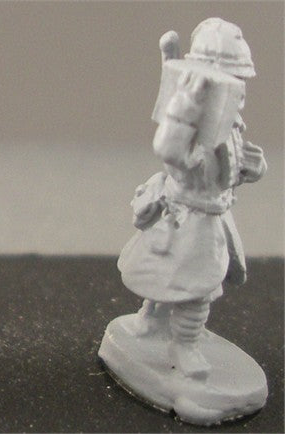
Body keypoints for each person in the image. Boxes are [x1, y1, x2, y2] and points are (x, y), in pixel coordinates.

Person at [118, 18, 267, 380]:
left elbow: (228, 172)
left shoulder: (228, 125)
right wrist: (185, 106)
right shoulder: (186, 120)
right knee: (188, 286)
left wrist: (252, 167)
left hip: (210, 216)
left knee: (189, 282)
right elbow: (168, 149)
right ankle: (181, 343)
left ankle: (173, 333)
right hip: (185, 216)